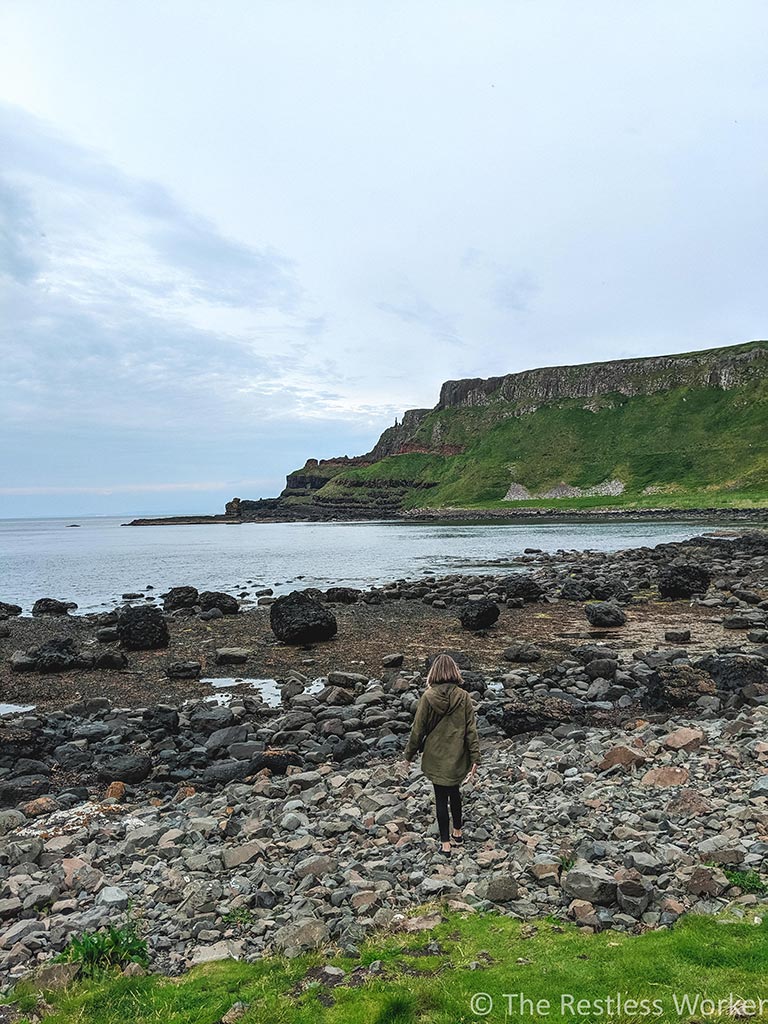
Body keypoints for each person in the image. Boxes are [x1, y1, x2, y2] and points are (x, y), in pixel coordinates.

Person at [401, 653, 481, 857]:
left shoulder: (428, 697)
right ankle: (458, 832)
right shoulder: (463, 697)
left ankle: (445, 844)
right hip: (458, 755)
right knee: (454, 793)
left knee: (440, 798)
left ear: (433, 673)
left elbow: (417, 730)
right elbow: (471, 730)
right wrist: (475, 759)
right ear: (455, 672)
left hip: (436, 755)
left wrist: (408, 756)